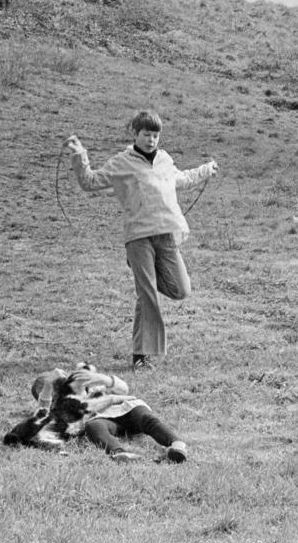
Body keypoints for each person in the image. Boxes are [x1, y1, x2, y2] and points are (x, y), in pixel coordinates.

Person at [64, 110, 218, 370]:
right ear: (135, 134)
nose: (151, 140)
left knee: (181, 289)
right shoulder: (123, 162)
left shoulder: (165, 160)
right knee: (147, 294)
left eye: (155, 135)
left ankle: (146, 284)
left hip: (167, 234)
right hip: (138, 237)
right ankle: (141, 356)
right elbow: (90, 182)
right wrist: (80, 155)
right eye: (146, 134)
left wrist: (205, 170)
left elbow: (180, 179)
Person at [3, 363, 189, 464]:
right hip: (103, 420)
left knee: (146, 418)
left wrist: (104, 380)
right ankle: (121, 454)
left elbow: (123, 389)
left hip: (126, 409)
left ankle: (177, 445)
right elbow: (43, 411)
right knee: (93, 426)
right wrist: (47, 387)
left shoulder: (91, 386)